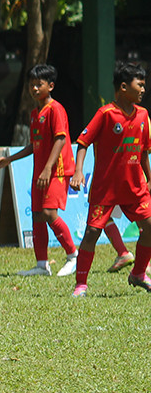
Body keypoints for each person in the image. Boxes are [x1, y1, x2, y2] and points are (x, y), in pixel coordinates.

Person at [0, 64, 84, 277]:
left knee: (49, 213)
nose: (34, 89)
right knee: (36, 216)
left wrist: (48, 168)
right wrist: (10, 159)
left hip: (56, 170)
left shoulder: (56, 109)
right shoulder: (35, 113)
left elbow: (60, 139)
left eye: (39, 84)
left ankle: (73, 256)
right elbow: (35, 145)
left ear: (50, 86)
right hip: (41, 171)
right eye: (31, 85)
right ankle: (42, 265)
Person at [69, 62, 151, 297]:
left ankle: (137, 274)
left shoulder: (144, 115)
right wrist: (77, 172)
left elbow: (143, 150)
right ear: (123, 87)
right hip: (106, 189)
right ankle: (81, 284)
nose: (144, 89)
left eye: (144, 85)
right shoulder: (105, 114)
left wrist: (149, 178)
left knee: (150, 228)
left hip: (135, 188)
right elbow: (83, 142)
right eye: (140, 85)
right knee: (92, 234)